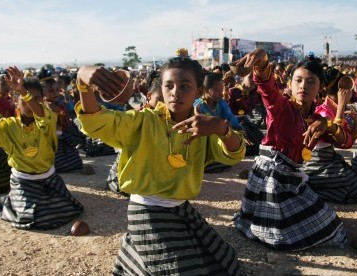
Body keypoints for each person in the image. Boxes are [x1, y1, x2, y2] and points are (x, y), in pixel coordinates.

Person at [75, 56, 245, 275]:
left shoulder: (203, 124)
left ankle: (138, 253)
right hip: (145, 209)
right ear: (162, 89)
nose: (176, 92)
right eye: (169, 85)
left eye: (185, 86)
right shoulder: (142, 121)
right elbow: (95, 122)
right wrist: (82, 80)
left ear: (199, 91)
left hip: (181, 209)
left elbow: (235, 155)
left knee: (224, 261)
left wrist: (221, 128)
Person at [233, 49, 347, 250]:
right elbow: (267, 89)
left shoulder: (316, 118)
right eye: (299, 80)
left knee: (329, 220)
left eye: (311, 81)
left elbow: (346, 142)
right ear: (290, 84)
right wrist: (261, 63)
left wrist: (327, 124)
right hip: (270, 178)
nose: (304, 86)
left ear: (320, 88)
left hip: (292, 176)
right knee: (286, 234)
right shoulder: (280, 107)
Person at [0, 67, 83, 229]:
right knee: (33, 217)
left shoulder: (47, 121)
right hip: (24, 182)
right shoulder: (7, 126)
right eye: (24, 99)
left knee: (65, 211)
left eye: (36, 98)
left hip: (49, 178)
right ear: (15, 101)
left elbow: (41, 115)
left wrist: (23, 91)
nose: (30, 103)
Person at [303, 68, 357, 203]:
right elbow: (342, 142)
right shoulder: (323, 112)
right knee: (355, 190)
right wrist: (341, 106)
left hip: (329, 158)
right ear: (343, 88)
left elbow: (348, 142)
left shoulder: (331, 108)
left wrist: (356, 122)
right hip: (317, 161)